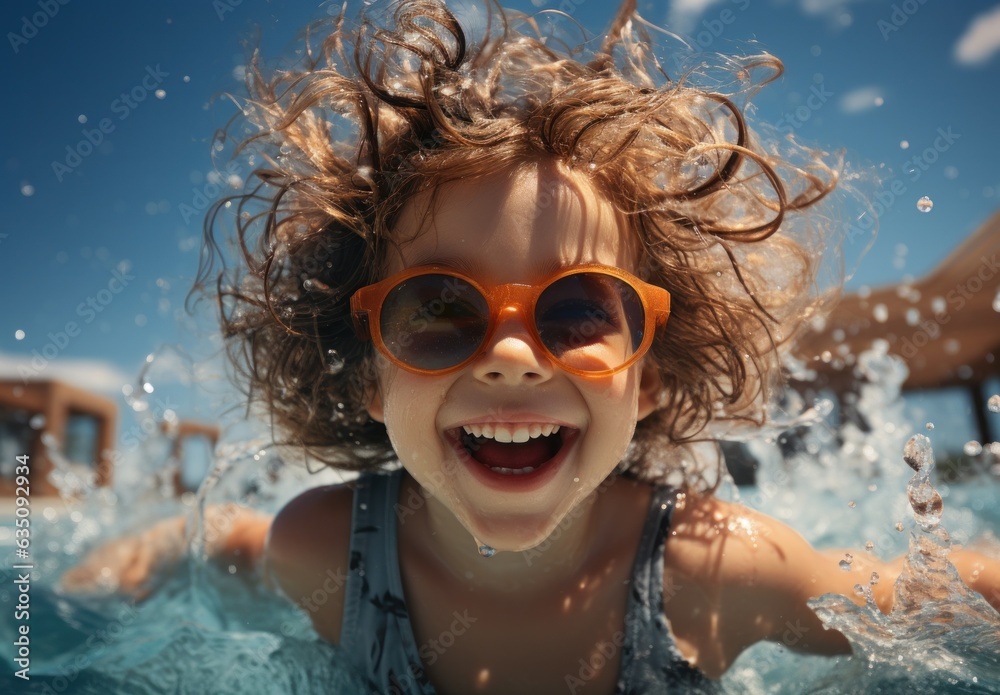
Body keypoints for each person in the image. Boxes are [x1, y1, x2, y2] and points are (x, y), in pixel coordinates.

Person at [61, 0, 1000, 692]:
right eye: (438, 308)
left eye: (580, 309)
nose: (511, 356)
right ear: (368, 379)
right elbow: (204, 553)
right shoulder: (324, 551)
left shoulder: (716, 574)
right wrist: (101, 579)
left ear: (653, 377)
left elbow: (926, 593)